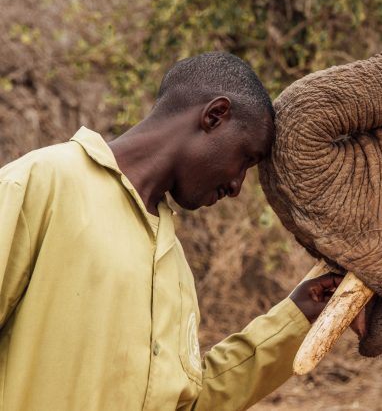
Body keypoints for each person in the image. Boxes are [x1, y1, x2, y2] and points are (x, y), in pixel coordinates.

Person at [0, 51, 340, 410]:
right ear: (214, 116)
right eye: (245, 159)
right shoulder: (42, 182)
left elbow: (186, 401)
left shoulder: (174, 264)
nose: (237, 186)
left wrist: (297, 316)